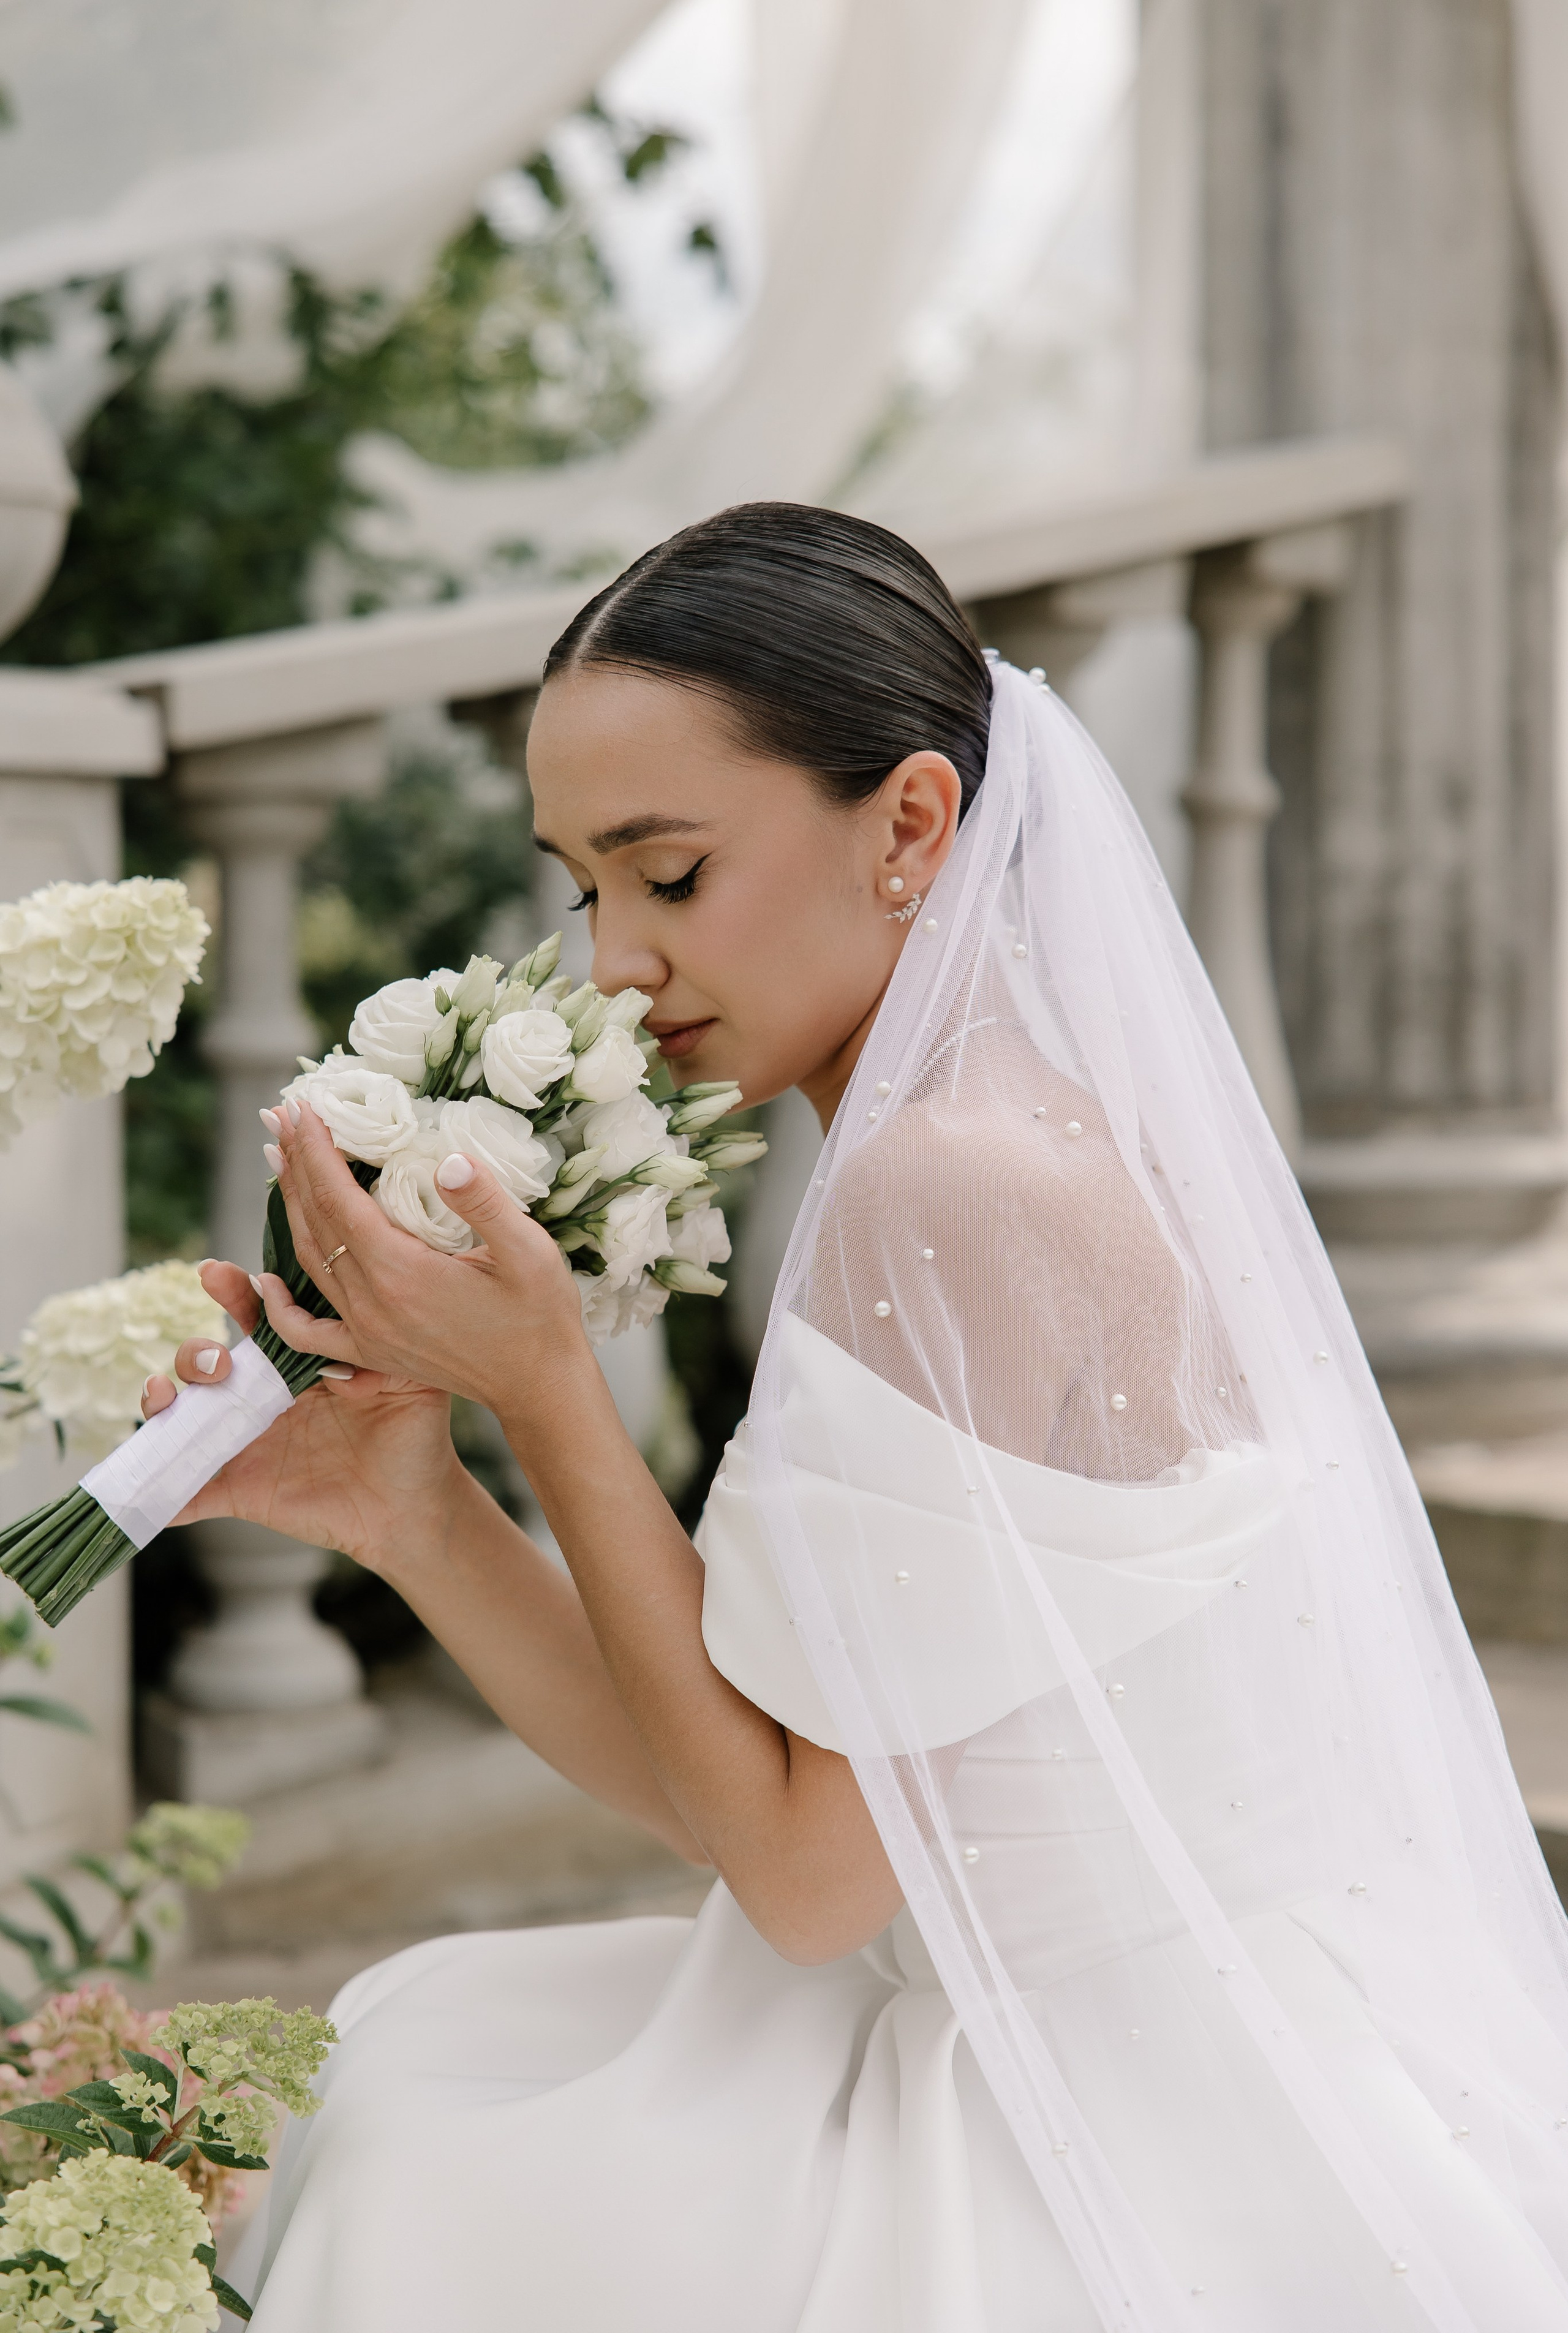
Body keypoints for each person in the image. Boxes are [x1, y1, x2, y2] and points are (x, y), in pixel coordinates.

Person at [153, 503, 1568, 2332]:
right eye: (589, 886)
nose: (614, 969)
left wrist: (553, 1391)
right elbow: (752, 1788)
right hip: (965, 1994)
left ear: (910, 824)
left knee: (428, 2147)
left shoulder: (958, 1185)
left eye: (670, 875)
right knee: (418, 2057)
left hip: (1105, 2111)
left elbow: (808, 1883)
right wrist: (409, 1504)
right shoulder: (951, 1131)